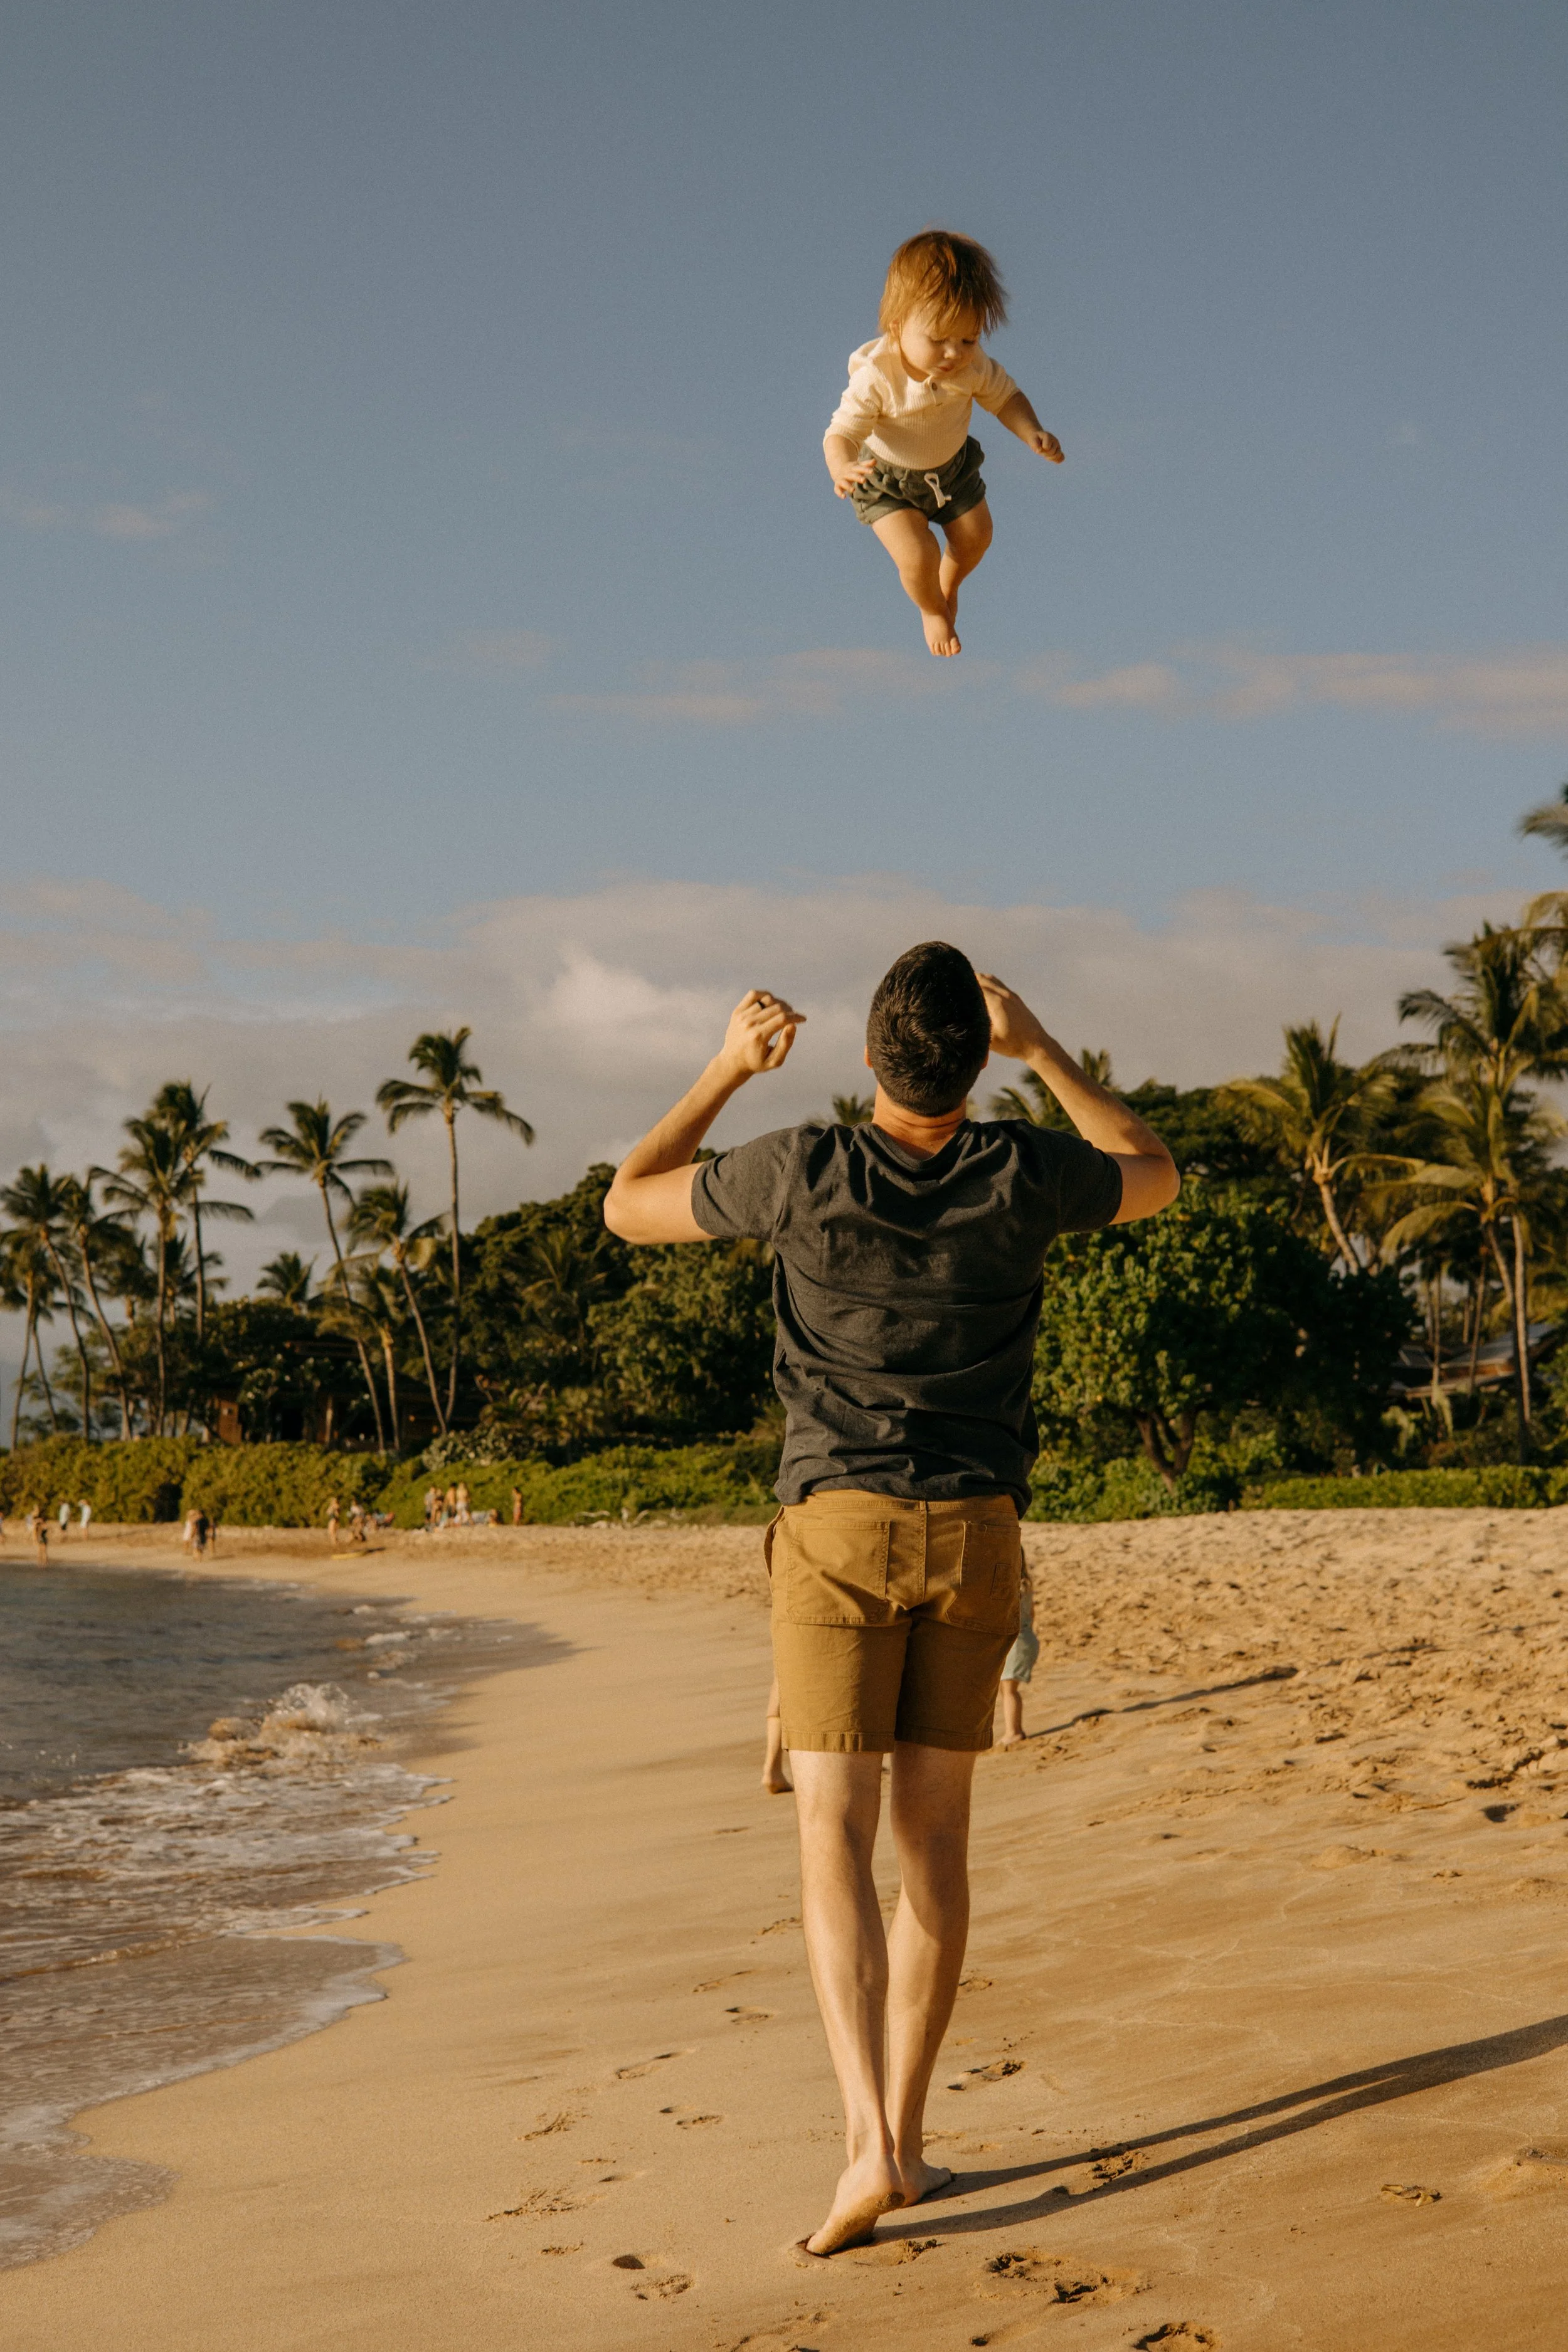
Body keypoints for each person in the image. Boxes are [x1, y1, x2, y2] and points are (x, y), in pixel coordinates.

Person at [604, 946, 1177, 2255]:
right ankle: (905, 2143)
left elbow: (627, 1202)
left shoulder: (801, 1168)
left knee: (831, 1836)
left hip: (836, 1534)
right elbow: (1152, 1167)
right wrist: (1044, 1053)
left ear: (867, 1059)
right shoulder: (1024, 1172)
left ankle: (864, 2140)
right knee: (933, 1848)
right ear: (971, 1067)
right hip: (977, 1533)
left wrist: (725, 1067)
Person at [824, 231, 1063, 660]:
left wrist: (1032, 431)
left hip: (951, 470)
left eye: (968, 340)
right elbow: (841, 432)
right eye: (938, 340)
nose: (954, 353)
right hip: (886, 480)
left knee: (977, 537)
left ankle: (949, 585)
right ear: (898, 328)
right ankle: (932, 609)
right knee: (918, 556)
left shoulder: (973, 369)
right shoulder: (878, 376)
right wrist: (842, 467)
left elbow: (1006, 398)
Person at [995, 1565, 1039, 1749]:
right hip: (1028, 1637)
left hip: (1017, 1641)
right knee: (1007, 1689)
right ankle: (1014, 1729)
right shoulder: (1026, 1586)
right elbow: (1032, 1613)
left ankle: (1013, 1732)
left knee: (1009, 1689)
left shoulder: (1011, 1588)